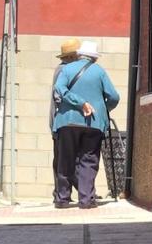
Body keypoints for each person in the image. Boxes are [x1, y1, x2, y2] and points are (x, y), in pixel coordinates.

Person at [53, 41, 119, 209]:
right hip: (93, 123)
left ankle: (62, 198)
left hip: (67, 121)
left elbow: (59, 88)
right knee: (88, 160)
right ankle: (86, 199)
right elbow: (114, 96)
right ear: (94, 58)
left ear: (79, 54)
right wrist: (101, 109)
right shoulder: (99, 71)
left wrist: (76, 102)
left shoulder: (66, 69)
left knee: (65, 159)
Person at [49, 38, 81, 204]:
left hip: (60, 121)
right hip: (61, 121)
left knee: (65, 158)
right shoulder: (64, 70)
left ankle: (72, 191)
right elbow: (59, 97)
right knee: (63, 159)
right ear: (72, 56)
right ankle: (61, 193)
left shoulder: (63, 69)